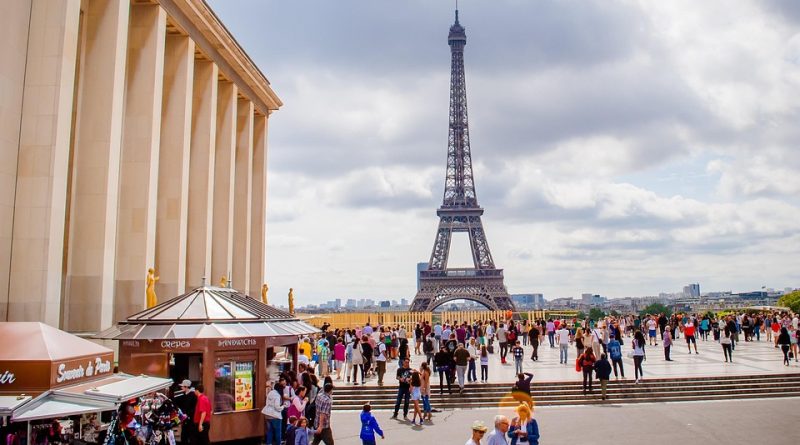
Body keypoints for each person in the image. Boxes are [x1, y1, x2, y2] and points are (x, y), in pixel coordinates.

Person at [173, 379, 197, 445]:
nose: (181, 388)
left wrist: (187, 415)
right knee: (184, 436)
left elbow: (194, 408)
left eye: (182, 386)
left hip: (190, 420)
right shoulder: (184, 395)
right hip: (184, 419)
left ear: (186, 387)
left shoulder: (193, 396)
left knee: (190, 436)